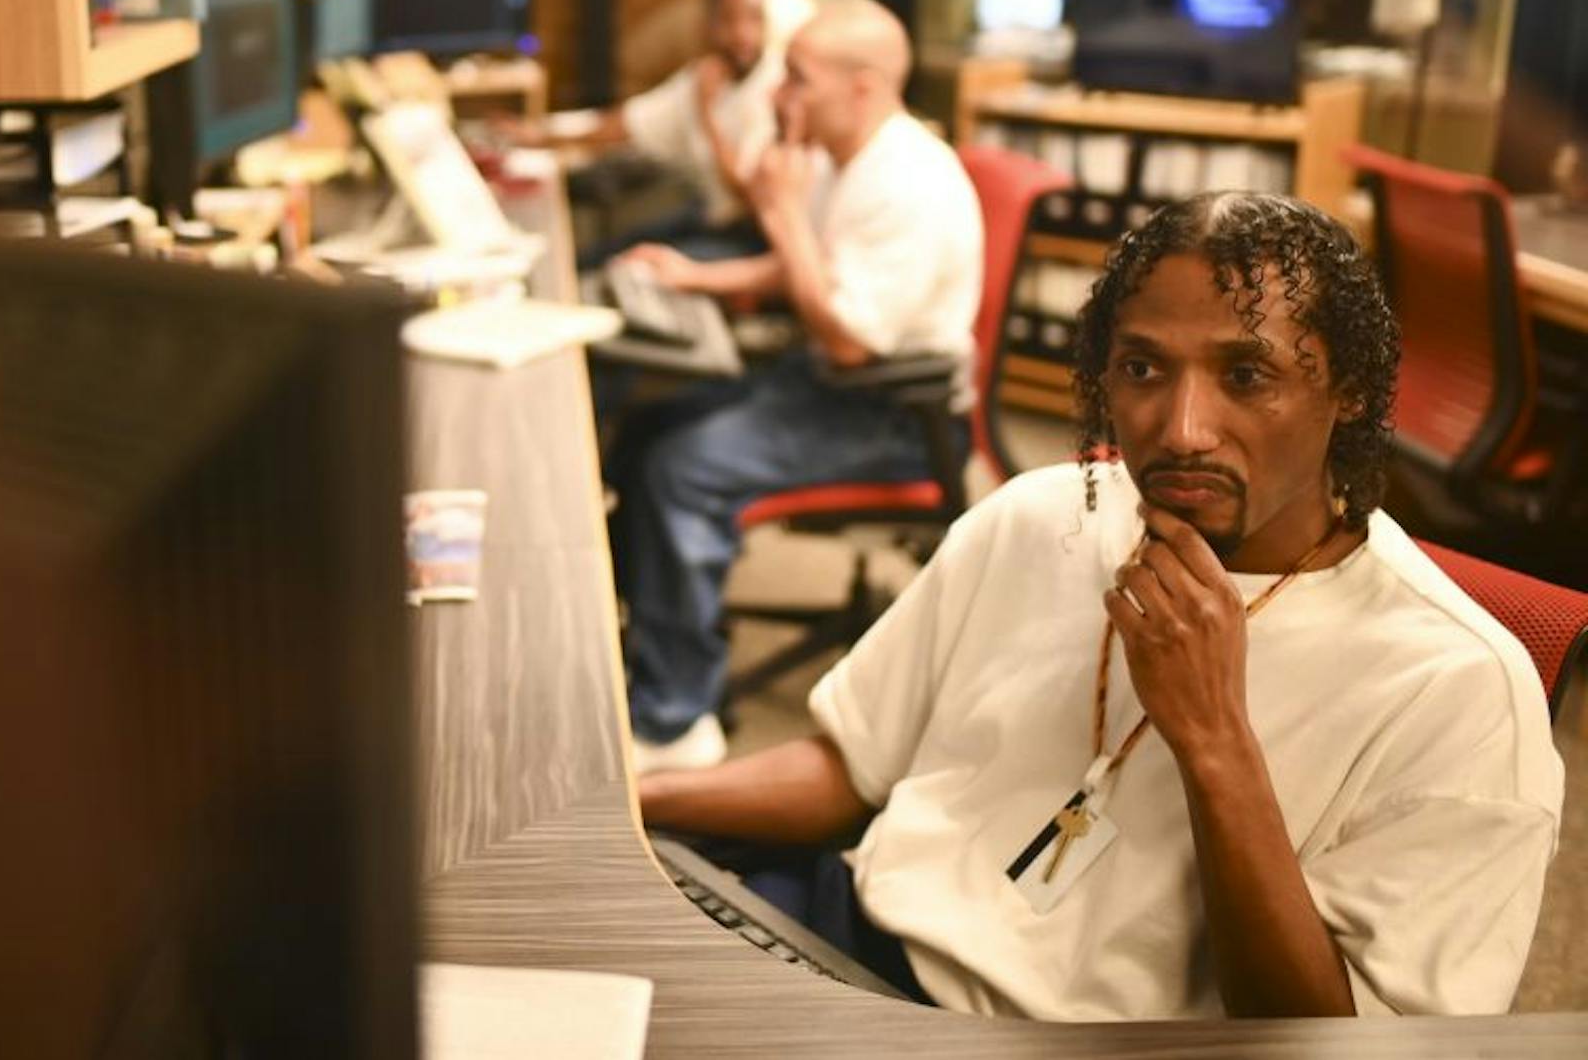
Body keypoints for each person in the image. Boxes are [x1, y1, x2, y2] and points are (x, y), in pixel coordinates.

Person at [639, 193, 1564, 1020]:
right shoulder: (1041, 517)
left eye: (1247, 375)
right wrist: (630, 801)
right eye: (1144, 369)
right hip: (841, 939)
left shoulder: (1458, 690)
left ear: (1349, 390)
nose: (1183, 430)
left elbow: (1329, 1042)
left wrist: (1214, 739)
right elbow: (851, 768)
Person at [609, 0, 981, 773]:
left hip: (895, 413)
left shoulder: (908, 183)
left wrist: (779, 212)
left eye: (799, 79)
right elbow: (809, 268)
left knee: (683, 468)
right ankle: (659, 643)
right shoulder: (844, 158)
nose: (781, 95)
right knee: (643, 430)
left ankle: (677, 720)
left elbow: (848, 338)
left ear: (863, 86)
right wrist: (698, 277)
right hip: (836, 379)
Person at [507, 0, 781, 262]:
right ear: (707, 27)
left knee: (632, 269)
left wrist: (707, 113)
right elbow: (628, 122)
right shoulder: (704, 79)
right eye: (728, 20)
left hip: (751, 238)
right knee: (596, 257)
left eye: (754, 19)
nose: (743, 34)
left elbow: (746, 190)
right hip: (709, 217)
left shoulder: (776, 88)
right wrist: (542, 137)